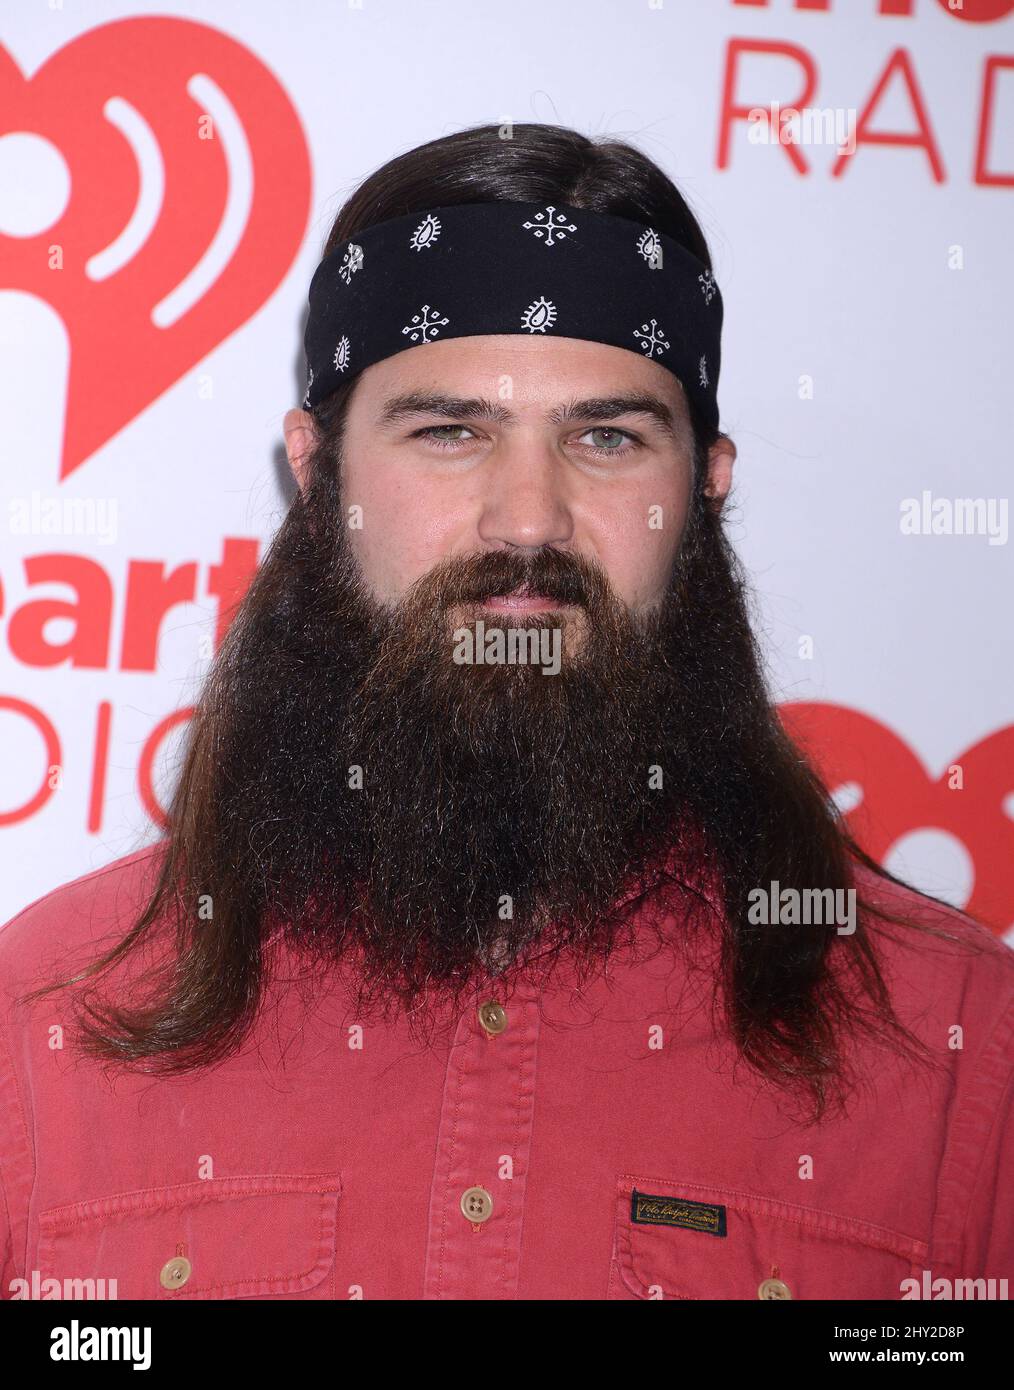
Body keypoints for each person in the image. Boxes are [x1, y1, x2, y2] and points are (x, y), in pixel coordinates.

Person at [1, 123, 1010, 1302]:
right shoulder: (53, 1012)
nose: (528, 517)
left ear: (706, 487)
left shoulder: (955, 1039)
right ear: (318, 473)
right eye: (450, 432)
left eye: (606, 437)